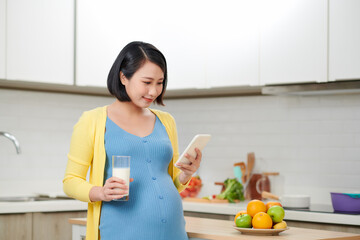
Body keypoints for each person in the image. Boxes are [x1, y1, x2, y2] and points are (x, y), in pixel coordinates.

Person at [63, 41, 202, 240]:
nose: (154, 91)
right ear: (123, 77)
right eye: (147, 82)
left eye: (160, 82)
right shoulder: (92, 121)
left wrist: (185, 175)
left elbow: (170, 181)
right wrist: (99, 192)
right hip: (120, 232)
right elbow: (70, 181)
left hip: (173, 232)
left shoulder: (166, 121)